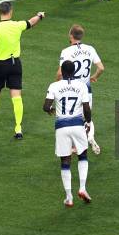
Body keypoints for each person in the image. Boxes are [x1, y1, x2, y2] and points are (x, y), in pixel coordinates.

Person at [0, 1, 46, 139]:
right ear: (11, 11)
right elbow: (31, 22)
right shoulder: (17, 25)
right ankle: (18, 128)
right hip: (15, 64)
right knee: (16, 96)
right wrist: (39, 15)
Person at [44, 61, 93, 207]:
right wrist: (88, 123)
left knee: (65, 161)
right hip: (78, 125)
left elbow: (46, 106)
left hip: (61, 126)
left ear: (62, 72)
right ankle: (83, 188)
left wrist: (51, 110)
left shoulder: (54, 85)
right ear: (74, 71)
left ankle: (69, 197)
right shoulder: (81, 85)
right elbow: (86, 108)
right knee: (82, 155)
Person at [57, 24, 104, 154]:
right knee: (86, 116)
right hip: (86, 88)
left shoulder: (66, 51)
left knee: (72, 117)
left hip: (71, 89)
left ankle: (74, 146)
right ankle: (89, 137)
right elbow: (101, 68)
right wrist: (94, 77)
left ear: (71, 35)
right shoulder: (90, 49)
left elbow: (60, 73)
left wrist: (57, 83)